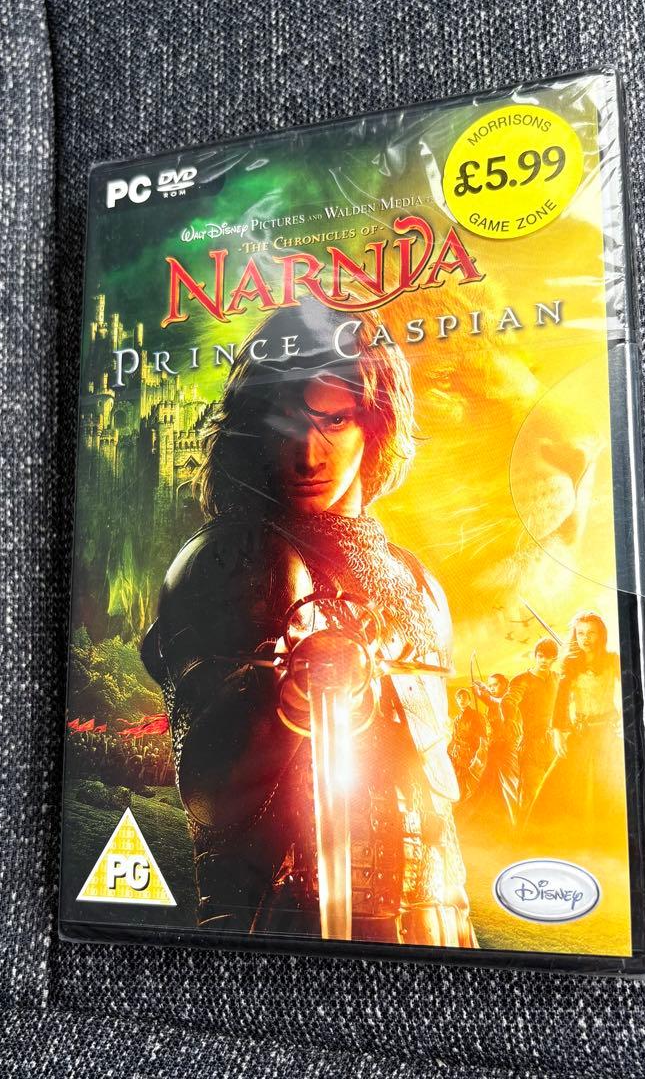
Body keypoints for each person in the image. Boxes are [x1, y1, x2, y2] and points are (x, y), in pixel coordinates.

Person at [141, 297, 476, 948]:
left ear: (374, 426)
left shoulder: (417, 581)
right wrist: (291, 696)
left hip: (435, 921)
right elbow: (210, 787)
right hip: (290, 918)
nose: (306, 454)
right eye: (286, 420)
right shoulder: (244, 559)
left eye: (334, 421)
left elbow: (435, 803)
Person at [530, 611, 625, 845]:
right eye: (581, 633)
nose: (586, 638)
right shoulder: (570, 664)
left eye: (591, 633)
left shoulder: (613, 660)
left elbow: (631, 691)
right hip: (581, 733)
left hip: (607, 734)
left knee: (611, 785)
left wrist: (627, 722)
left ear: (601, 635)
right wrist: (558, 733)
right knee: (558, 786)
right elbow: (561, 701)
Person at [509, 636, 560, 826]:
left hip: (554, 745)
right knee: (531, 793)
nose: (544, 660)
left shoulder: (558, 679)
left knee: (553, 793)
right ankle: (525, 835)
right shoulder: (522, 680)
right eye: (541, 656)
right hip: (531, 745)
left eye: (549, 657)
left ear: (554, 659)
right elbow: (509, 701)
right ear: (535, 656)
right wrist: (510, 718)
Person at [469, 672, 522, 830]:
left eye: (495, 685)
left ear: (505, 684)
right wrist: (481, 691)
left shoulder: (509, 700)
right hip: (495, 749)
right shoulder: (494, 702)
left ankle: (515, 821)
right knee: (490, 783)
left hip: (508, 748)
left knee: (509, 783)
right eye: (490, 685)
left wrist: (482, 692)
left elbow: (497, 702)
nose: (492, 688)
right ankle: (495, 821)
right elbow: (491, 701)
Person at [448, 687, 487, 800]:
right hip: (460, 754)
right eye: (459, 698)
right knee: (460, 779)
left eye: (464, 697)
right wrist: (454, 749)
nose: (462, 700)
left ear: (469, 700)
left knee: (473, 780)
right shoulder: (457, 719)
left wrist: (477, 754)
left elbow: (483, 737)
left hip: (472, 753)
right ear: (456, 701)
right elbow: (454, 737)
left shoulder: (476, 716)